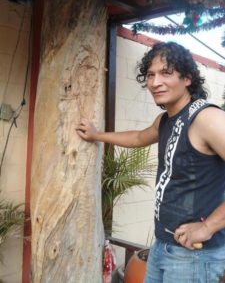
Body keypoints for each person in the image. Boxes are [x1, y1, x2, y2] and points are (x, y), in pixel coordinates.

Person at [76, 42, 225, 283]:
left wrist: (208, 226)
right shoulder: (165, 120)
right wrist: (97, 135)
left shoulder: (206, 118)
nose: (155, 83)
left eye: (166, 73)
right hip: (162, 246)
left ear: (187, 78)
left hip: (194, 257)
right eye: (151, 75)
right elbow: (138, 137)